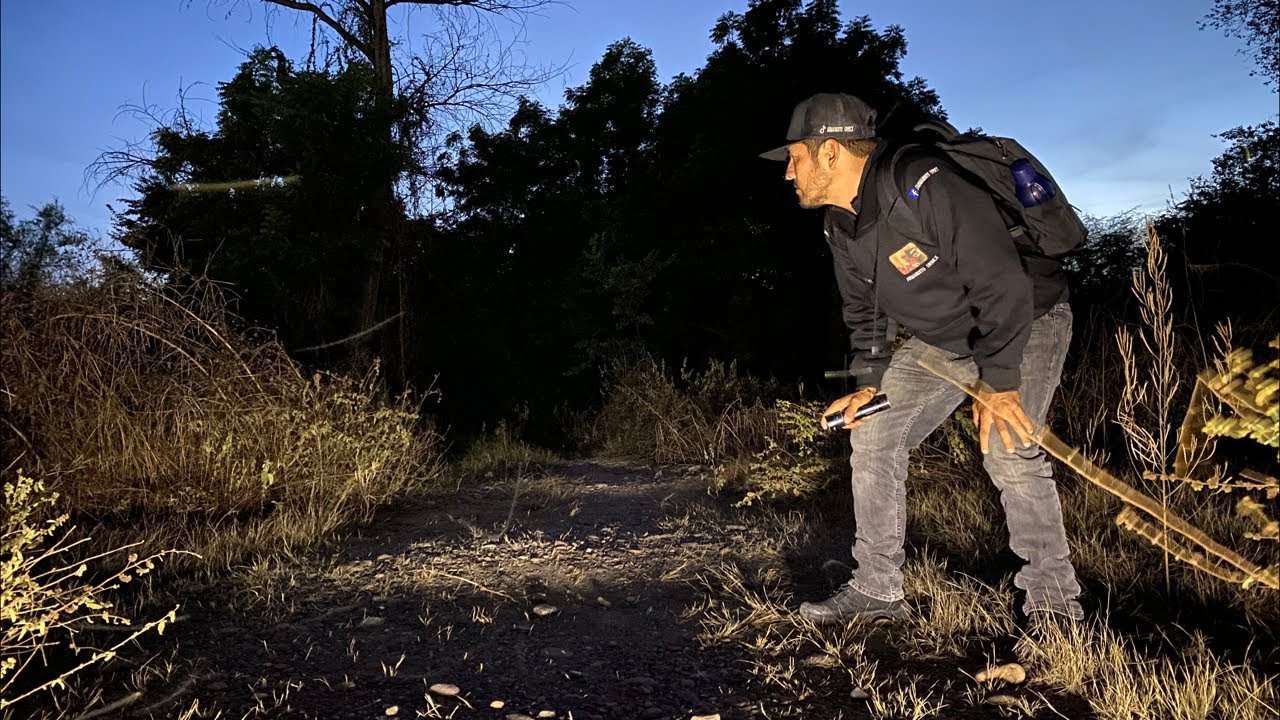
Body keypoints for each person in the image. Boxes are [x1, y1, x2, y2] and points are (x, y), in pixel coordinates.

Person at [759, 93, 1083, 624]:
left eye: (796, 157)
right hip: (945, 340)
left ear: (831, 152)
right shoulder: (839, 222)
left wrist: (998, 383)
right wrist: (867, 380)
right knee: (873, 432)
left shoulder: (924, 180)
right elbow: (863, 309)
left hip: (1024, 320)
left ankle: (1055, 609)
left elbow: (1002, 284)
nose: (788, 172)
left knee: (1008, 446)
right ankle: (877, 591)